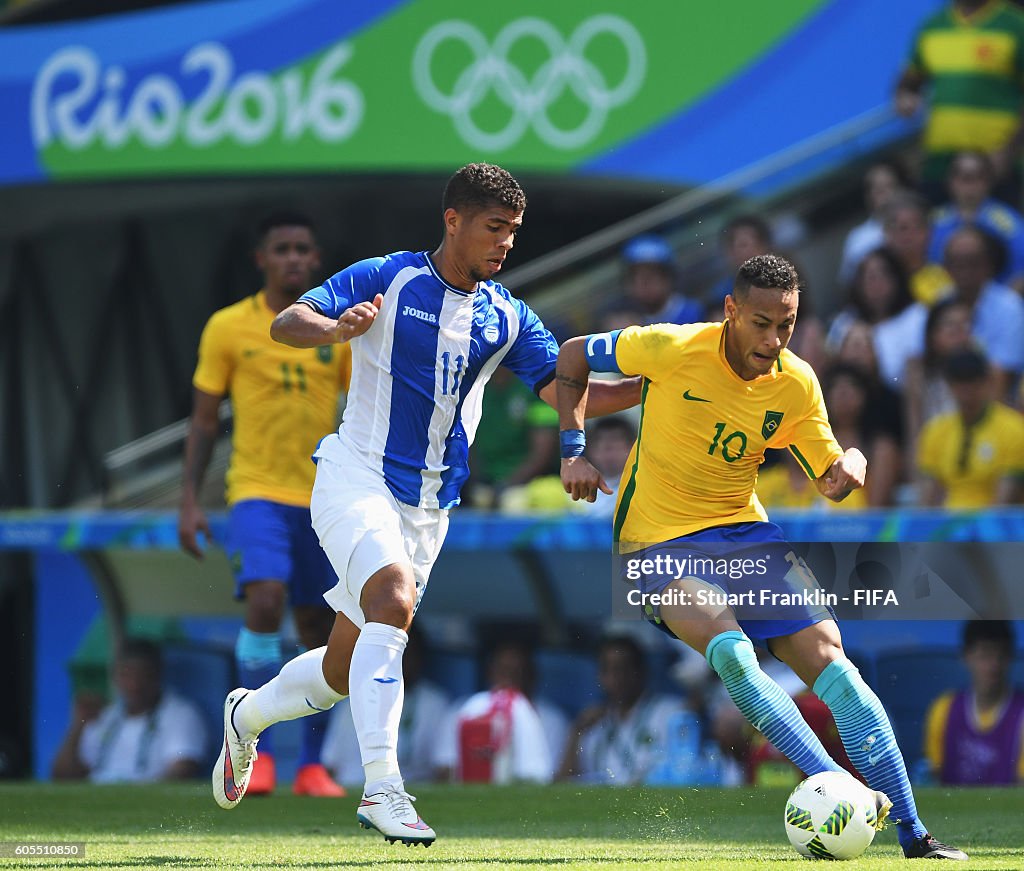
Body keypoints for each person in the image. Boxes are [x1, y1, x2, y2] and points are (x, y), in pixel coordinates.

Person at [211, 163, 639, 845]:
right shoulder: (389, 275)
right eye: (493, 228)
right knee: (393, 601)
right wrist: (332, 331)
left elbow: (568, 389)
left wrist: (661, 380)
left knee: (339, 671)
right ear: (453, 220)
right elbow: (289, 320)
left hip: (427, 510)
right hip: (354, 475)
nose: (504, 243)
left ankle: (248, 716)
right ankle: (383, 788)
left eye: (513, 232)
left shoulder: (506, 315)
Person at [555, 254, 968, 859]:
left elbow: (827, 475)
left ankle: (914, 833)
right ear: (730, 310)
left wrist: (849, 466)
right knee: (734, 654)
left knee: (840, 673)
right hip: (656, 541)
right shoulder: (670, 347)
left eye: (787, 325)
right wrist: (573, 448)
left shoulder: (796, 382)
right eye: (761, 323)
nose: (773, 340)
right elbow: (572, 355)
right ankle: (843, 788)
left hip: (745, 534)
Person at [179, 212, 349, 799]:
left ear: (317, 259)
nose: (294, 258)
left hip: (323, 497)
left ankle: (311, 765)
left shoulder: (334, 330)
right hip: (255, 491)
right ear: (262, 259)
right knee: (266, 598)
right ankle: (257, 754)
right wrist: (187, 501)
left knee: (322, 629)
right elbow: (203, 423)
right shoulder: (227, 327)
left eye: (303, 248)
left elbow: (364, 406)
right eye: (282, 249)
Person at [895, 0, 1024, 205]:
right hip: (940, 165)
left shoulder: (1016, 24)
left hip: (995, 166)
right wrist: (904, 97)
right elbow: (908, 82)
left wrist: (1008, 152)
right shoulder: (932, 26)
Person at [52, 639, 206, 783]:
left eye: (143, 675)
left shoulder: (181, 714)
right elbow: (62, 776)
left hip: (148, 803)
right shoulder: (106, 715)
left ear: (158, 675)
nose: (134, 685)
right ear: (114, 677)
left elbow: (183, 770)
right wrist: (77, 727)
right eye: (126, 675)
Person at [320, 625, 449, 787]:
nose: (401, 659)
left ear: (420, 656)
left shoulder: (435, 703)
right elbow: (330, 764)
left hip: (406, 794)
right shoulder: (353, 698)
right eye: (395, 653)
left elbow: (443, 769)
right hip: (351, 788)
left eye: (408, 652)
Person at [435, 640, 569, 784]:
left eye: (517, 672)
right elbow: (443, 770)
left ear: (532, 675)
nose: (508, 679)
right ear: (489, 673)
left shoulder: (553, 719)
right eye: (503, 671)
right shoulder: (465, 709)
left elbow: (552, 778)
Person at [556, 635, 684, 785]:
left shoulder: (670, 712)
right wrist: (576, 732)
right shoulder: (592, 724)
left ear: (641, 671)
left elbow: (682, 772)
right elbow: (562, 784)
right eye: (608, 670)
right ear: (600, 676)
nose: (616, 677)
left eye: (623, 668)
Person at [917, 348, 1024, 507]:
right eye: (959, 384)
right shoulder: (936, 431)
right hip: (946, 525)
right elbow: (928, 499)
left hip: (995, 528)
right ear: (949, 385)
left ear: (987, 382)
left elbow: (1004, 502)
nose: (966, 391)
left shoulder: (1013, 429)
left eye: (973, 383)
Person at [923, 620, 1024, 785]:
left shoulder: (1021, 713)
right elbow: (933, 778)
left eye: (1001, 656)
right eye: (985, 655)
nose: (994, 665)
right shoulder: (943, 708)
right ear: (966, 656)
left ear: (1010, 658)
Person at [940, 225, 1024, 399]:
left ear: (988, 264)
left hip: (996, 404)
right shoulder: (939, 303)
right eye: (956, 261)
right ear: (946, 267)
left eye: (973, 260)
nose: (964, 269)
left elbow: (1002, 378)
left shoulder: (1009, 306)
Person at [929, 151, 1024, 290]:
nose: (969, 185)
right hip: (944, 302)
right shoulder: (934, 221)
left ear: (989, 182)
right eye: (963, 177)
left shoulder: (1008, 222)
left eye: (977, 177)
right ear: (950, 181)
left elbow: (1021, 273)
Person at [837, 161, 910, 285]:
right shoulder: (858, 239)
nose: (887, 195)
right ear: (869, 196)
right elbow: (850, 285)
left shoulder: (916, 224)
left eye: (891, 187)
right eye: (879, 190)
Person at [619, 234, 703, 326]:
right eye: (635, 277)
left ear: (668, 278)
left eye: (650, 276)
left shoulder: (696, 314)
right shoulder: (629, 325)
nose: (643, 284)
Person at [579, 416, 637, 517]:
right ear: (590, 450)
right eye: (601, 444)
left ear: (633, 448)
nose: (609, 452)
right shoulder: (574, 491)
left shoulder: (644, 489)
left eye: (616, 443)